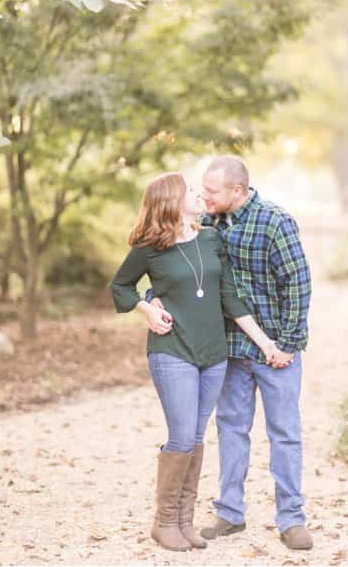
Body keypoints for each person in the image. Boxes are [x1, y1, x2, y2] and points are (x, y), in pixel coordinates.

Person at [110, 172, 283, 552]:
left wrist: (266, 343)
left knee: (196, 436)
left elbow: (229, 297)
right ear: (171, 201)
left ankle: (185, 522)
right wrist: (146, 309)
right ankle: (164, 522)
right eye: (190, 190)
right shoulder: (149, 246)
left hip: (213, 354)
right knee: (182, 434)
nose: (197, 194)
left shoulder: (210, 237)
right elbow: (120, 286)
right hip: (172, 351)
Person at [151, 156, 313, 551]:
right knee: (231, 430)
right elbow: (180, 270)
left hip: (278, 351)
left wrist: (287, 345)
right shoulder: (205, 225)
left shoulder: (275, 221)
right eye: (202, 190)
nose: (203, 196)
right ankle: (229, 512)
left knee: (285, 434)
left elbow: (298, 284)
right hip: (231, 350)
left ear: (237, 191)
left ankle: (291, 519)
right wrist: (152, 302)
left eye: (211, 191)